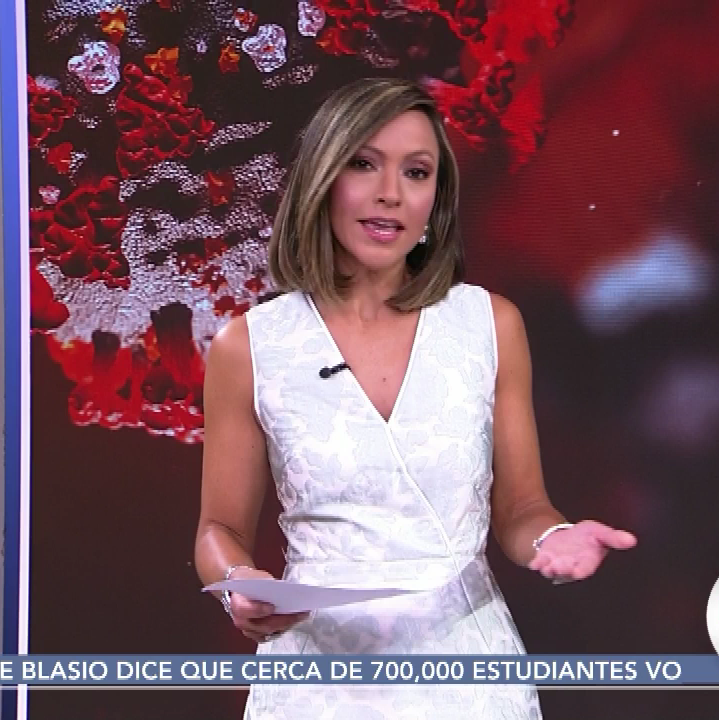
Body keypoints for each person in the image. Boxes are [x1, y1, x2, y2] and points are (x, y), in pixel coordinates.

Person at [194, 76, 637, 719]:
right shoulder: (249, 345)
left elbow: (522, 508)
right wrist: (238, 583)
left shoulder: (490, 325)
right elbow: (219, 529)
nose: (391, 193)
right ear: (322, 177)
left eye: (417, 172)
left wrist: (553, 538)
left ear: (437, 197)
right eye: (364, 164)